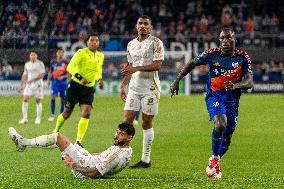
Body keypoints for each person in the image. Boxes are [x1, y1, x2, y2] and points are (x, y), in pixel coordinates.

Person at [170, 28, 253, 179]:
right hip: (214, 96)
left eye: (229, 38)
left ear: (235, 40)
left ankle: (215, 162)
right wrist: (177, 81)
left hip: (232, 101)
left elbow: (249, 82)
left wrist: (236, 86)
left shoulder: (242, 57)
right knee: (220, 124)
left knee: (227, 137)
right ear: (219, 40)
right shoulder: (211, 54)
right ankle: (215, 157)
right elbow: (191, 63)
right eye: (222, 38)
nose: (225, 41)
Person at [8, 122, 135, 179]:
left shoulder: (118, 156)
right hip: (89, 161)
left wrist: (72, 164)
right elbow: (103, 156)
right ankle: (24, 144)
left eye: (121, 134)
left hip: (85, 170)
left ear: (129, 138)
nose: (116, 135)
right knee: (70, 143)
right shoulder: (125, 149)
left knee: (58, 137)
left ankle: (23, 143)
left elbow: (94, 173)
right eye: (117, 132)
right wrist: (83, 152)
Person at [120, 15, 164, 168]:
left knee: (146, 123)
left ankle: (145, 159)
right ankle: (119, 156)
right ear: (136, 26)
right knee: (126, 123)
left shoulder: (156, 43)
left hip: (150, 89)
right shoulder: (130, 44)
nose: (143, 26)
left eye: (146, 23)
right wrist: (123, 84)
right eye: (140, 23)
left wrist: (135, 68)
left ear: (150, 27)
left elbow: (157, 65)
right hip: (134, 88)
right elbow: (130, 66)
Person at [53, 33, 104, 146]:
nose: (94, 42)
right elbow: (70, 67)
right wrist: (80, 78)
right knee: (66, 113)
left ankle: (78, 141)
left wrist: (99, 79)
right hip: (75, 87)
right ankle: (55, 131)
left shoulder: (101, 55)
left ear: (99, 43)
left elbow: (98, 69)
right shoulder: (81, 53)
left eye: (96, 41)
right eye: (92, 40)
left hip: (88, 89)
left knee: (86, 113)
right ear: (87, 43)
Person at [17, 51, 45, 125]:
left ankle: (38, 118)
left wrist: (33, 79)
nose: (33, 56)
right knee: (25, 99)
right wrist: (21, 85)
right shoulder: (27, 64)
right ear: (30, 56)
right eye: (31, 55)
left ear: (36, 56)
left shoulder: (40, 63)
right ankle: (25, 118)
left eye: (34, 55)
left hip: (38, 84)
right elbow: (25, 75)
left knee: (38, 101)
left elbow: (42, 75)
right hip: (29, 85)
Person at [47, 48, 69, 121]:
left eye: (61, 53)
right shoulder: (53, 62)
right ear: (56, 53)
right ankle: (52, 115)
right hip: (55, 82)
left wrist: (63, 76)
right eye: (59, 52)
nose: (60, 54)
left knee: (63, 99)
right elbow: (50, 71)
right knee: (53, 96)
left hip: (63, 83)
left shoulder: (66, 62)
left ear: (63, 54)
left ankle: (61, 115)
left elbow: (70, 73)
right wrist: (48, 80)